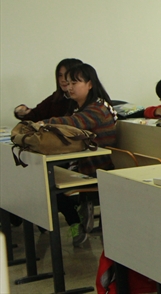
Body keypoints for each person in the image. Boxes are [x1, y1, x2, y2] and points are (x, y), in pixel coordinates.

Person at [42, 63, 118, 246]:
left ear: (90, 84)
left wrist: (44, 123)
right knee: (41, 177)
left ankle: (75, 221)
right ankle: (76, 218)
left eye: (74, 83)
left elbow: (74, 123)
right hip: (80, 162)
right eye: (68, 83)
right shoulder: (77, 106)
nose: (69, 87)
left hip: (95, 167)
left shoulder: (98, 108)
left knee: (49, 182)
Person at [14, 58, 82, 121]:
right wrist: (22, 113)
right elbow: (36, 114)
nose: (63, 79)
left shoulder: (84, 101)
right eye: (60, 75)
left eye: (67, 75)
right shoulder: (56, 98)